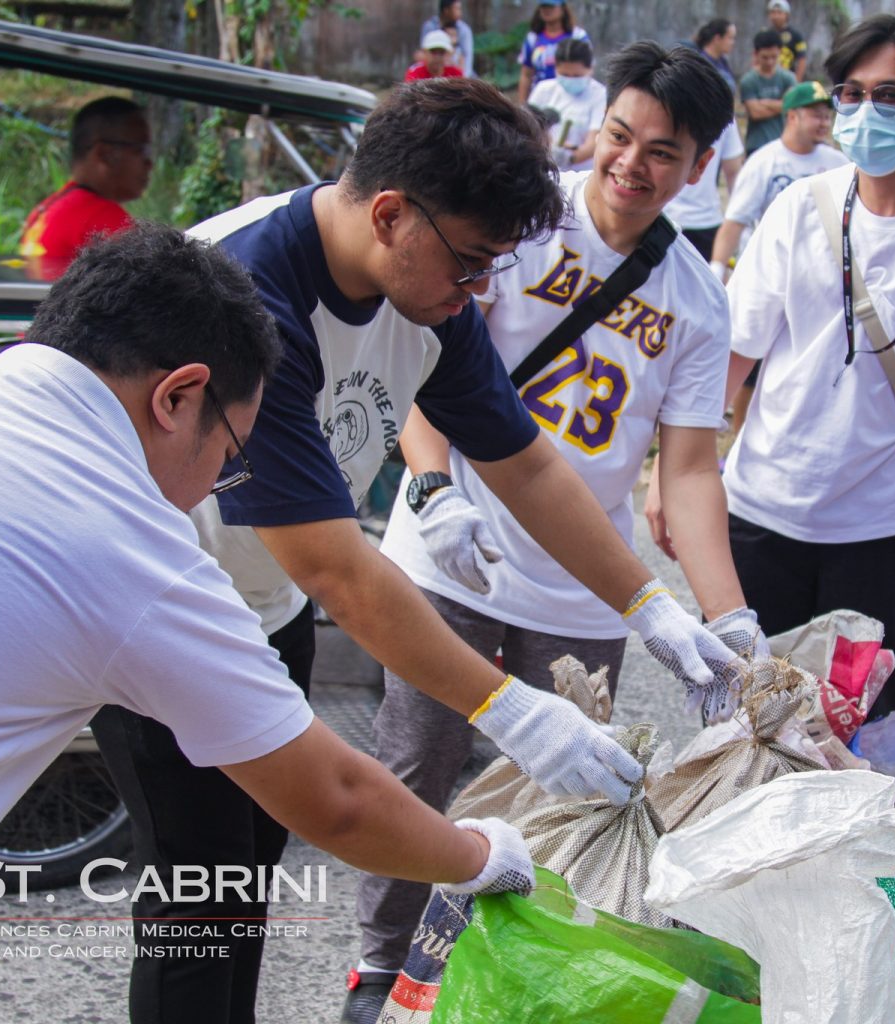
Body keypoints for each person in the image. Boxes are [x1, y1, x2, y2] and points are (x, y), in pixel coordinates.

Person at [93, 79, 742, 1024]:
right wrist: (515, 712)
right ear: (392, 214)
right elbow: (337, 569)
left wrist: (655, 611)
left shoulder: (430, 299)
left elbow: (524, 463)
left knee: (246, 872)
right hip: (153, 606)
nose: (480, 292)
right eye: (473, 263)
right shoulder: (241, 297)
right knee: (197, 894)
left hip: (263, 607)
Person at [0, 225, 537, 1024]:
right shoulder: (131, 551)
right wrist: (485, 857)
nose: (224, 482)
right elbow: (337, 800)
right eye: (234, 456)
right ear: (177, 397)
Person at [352, 43, 751, 1024]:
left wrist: (728, 614)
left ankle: (501, 980)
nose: (632, 165)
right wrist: (433, 488)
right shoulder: (521, 224)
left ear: (699, 167)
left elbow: (688, 468)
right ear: (596, 127)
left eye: (664, 151)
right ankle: (376, 975)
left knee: (568, 796)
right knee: (418, 768)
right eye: (620, 136)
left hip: (584, 586)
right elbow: (429, 350)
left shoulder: (697, 300)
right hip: (447, 553)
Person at [648, 13, 895, 721]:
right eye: (852, 94)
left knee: (863, 724)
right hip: (761, 516)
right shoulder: (799, 210)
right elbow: (732, 357)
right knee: (748, 722)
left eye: (890, 96)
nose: (865, 114)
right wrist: (671, 475)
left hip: (883, 537)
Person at [710, 80, 846, 438]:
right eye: (816, 115)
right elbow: (735, 221)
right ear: (792, 116)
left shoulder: (838, 164)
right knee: (748, 361)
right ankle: (740, 437)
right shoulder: (765, 162)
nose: (823, 123)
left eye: (827, 116)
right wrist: (718, 269)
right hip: (769, 278)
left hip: (822, 283)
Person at [19, 96, 151, 263]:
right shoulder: (101, 219)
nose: (150, 164)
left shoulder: (45, 209)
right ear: (105, 154)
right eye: (140, 149)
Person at [665, 117, 745, 262]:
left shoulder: (721, 108)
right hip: (666, 219)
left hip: (703, 220)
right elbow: (733, 172)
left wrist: (739, 223)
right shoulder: (720, 105)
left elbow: (733, 172)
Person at [527, 37, 605, 172]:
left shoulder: (599, 94)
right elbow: (526, 128)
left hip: (581, 171)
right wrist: (549, 148)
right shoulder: (543, 90)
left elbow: (594, 141)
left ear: (590, 69)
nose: (570, 79)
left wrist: (568, 158)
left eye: (576, 75)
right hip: (543, 169)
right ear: (556, 68)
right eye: (565, 74)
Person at [517, 1, 588, 104]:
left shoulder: (577, 36)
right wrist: (522, 105)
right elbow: (526, 75)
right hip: (540, 99)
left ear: (563, 9)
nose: (547, 10)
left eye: (551, 6)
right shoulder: (533, 38)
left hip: (570, 99)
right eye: (543, 6)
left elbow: (586, 69)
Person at [739, 30, 797, 156]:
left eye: (774, 57)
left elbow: (791, 105)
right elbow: (755, 113)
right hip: (756, 144)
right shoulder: (748, 81)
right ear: (755, 54)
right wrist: (781, 104)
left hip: (783, 141)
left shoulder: (788, 78)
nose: (770, 62)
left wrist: (765, 103)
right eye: (765, 57)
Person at [421, 0, 473, 78]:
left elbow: (467, 58)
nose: (460, 13)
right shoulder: (429, 26)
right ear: (446, 10)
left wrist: (464, 79)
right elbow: (423, 53)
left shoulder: (464, 30)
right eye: (457, 9)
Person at [766, 0, 808, 81]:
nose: (776, 16)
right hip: (768, 80)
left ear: (786, 15)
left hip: (787, 80)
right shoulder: (764, 35)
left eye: (779, 12)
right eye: (773, 12)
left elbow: (802, 60)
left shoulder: (796, 36)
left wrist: (796, 82)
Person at [695, 18, 738, 91]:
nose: (733, 43)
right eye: (730, 38)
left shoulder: (723, 61)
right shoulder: (700, 63)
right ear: (717, 38)